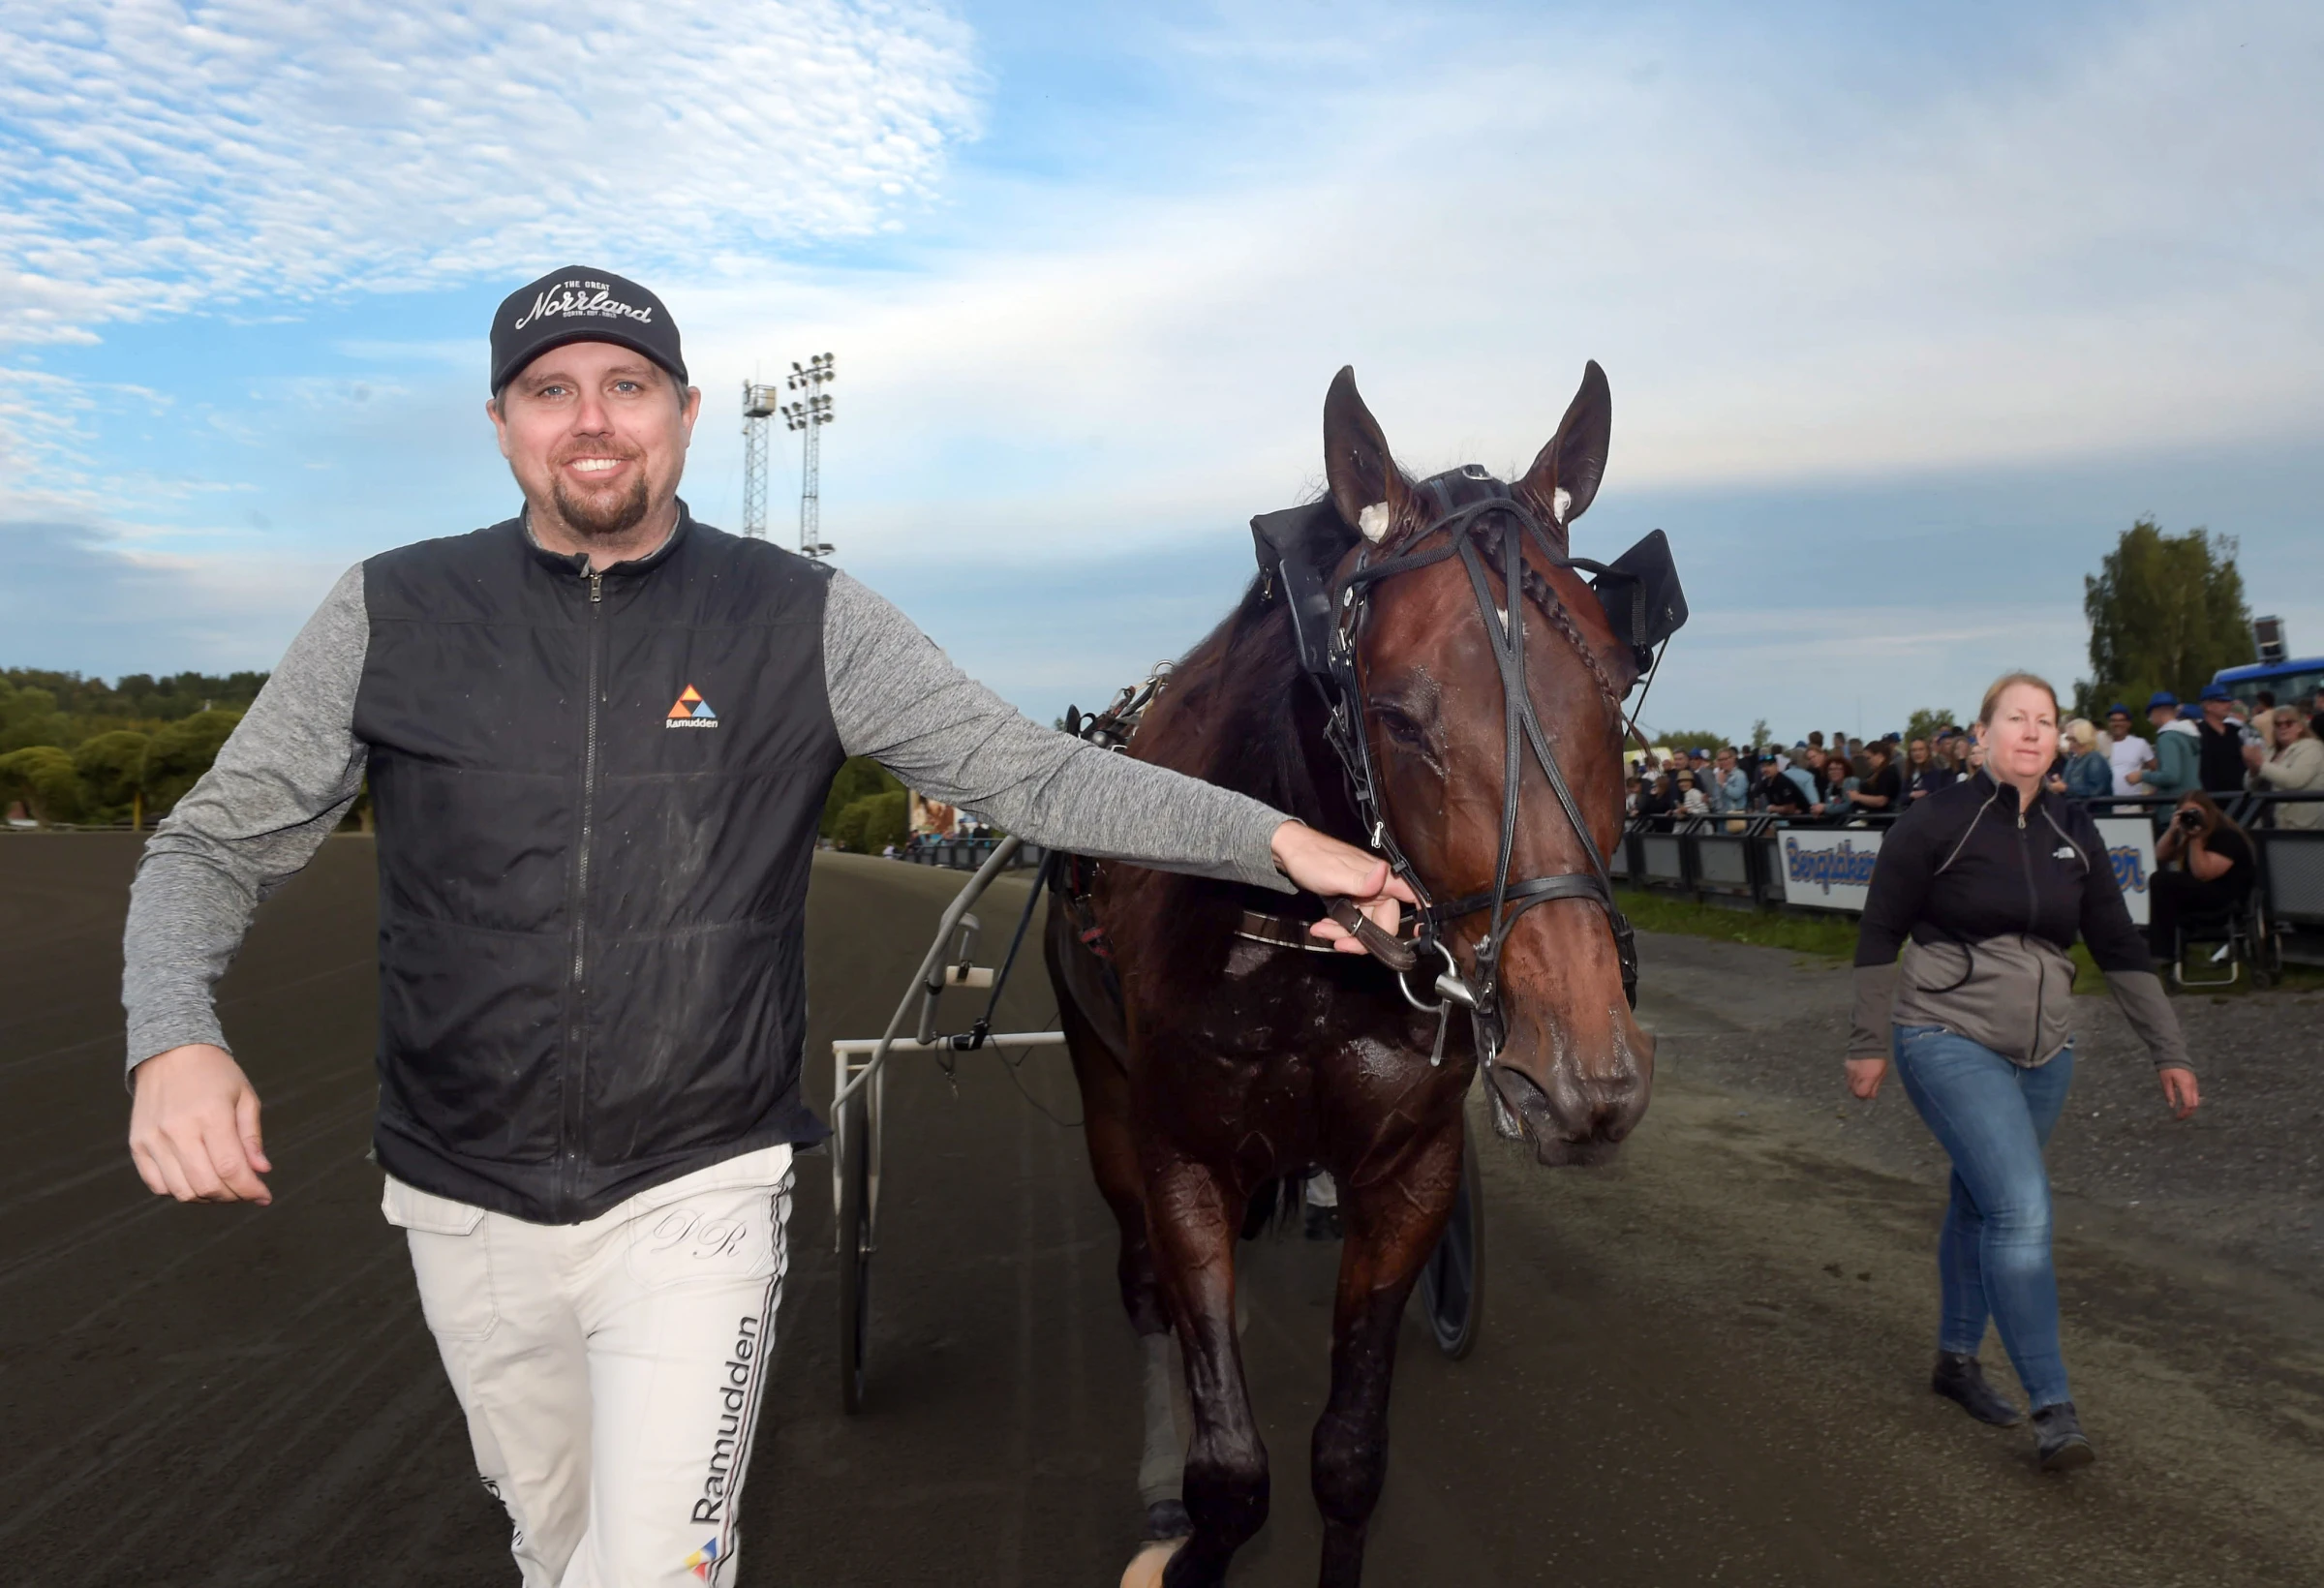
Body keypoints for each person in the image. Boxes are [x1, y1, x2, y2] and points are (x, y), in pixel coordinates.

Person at [118, 267, 1414, 1588]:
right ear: (501, 422)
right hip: (460, 1201)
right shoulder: (388, 612)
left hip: (698, 1193)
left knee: (660, 1570)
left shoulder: (804, 620)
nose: (593, 422)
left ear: (680, 412)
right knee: (557, 1544)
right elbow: (213, 840)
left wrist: (1277, 842)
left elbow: (1032, 771)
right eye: (551, 392)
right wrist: (172, 1035)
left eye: (626, 387)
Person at [1846, 673, 2197, 1472]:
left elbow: (2116, 944)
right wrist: (1867, 1042)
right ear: (1982, 735)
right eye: (2016, 719)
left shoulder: (2075, 829)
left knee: (1981, 1202)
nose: (2033, 733)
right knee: (2022, 1209)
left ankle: (1955, 1361)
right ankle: (2054, 1406)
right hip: (1944, 1034)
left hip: (2046, 1052)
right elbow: (1879, 931)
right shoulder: (1936, 821)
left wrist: (2168, 1051)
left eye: (2045, 721)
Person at [2148, 791, 2257, 961]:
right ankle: (2163, 952)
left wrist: (2196, 840)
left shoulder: (2227, 837)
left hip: (2225, 899)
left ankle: (2164, 952)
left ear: (2209, 812)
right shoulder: (2185, 834)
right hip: (2202, 896)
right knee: (2159, 880)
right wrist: (2172, 829)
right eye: (2186, 813)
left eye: (2196, 813)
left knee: (2162, 881)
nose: (2192, 818)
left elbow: (2203, 873)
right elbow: (2160, 855)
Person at [2246, 706, 2324, 830]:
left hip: (2300, 827)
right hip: (2268, 823)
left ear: (2300, 727)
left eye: (2289, 723)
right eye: (2278, 724)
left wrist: (2260, 765)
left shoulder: (2311, 748)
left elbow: (2295, 780)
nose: (2283, 727)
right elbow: (2248, 786)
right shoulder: (2271, 751)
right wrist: (2253, 770)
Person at [2125, 690, 2198, 808]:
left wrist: (2141, 776)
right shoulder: (2187, 735)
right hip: (2193, 802)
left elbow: (2170, 776)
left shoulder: (2167, 738)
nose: (2149, 718)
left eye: (2150, 713)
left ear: (2157, 711)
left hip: (2175, 809)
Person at [2193, 684, 2247, 794]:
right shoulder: (2197, 733)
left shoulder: (2235, 731)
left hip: (2239, 796)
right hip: (2212, 797)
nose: (2228, 705)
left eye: (2228, 701)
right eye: (2222, 701)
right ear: (2207, 705)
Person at [2102, 703, 2149, 800]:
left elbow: (2157, 769)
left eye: (2121, 720)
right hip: (2104, 806)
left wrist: (2151, 794)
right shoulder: (2099, 744)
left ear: (2128, 723)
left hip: (2132, 805)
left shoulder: (2140, 743)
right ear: (2109, 723)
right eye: (2113, 720)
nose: (2117, 724)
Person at [2061, 719, 2113, 801]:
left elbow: (2096, 791)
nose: (2069, 743)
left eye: (2073, 739)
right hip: (2075, 811)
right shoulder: (2073, 759)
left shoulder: (2096, 759)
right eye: (2068, 738)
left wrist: (2066, 788)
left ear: (2082, 738)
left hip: (2093, 812)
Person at [1850, 740, 1902, 812]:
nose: (1867, 762)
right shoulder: (1876, 772)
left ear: (1880, 755)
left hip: (1881, 819)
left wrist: (1858, 797)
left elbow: (1881, 800)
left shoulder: (1888, 772)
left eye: (1869, 758)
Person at [1904, 737, 1954, 803]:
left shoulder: (1937, 774)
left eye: (1921, 749)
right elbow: (1901, 797)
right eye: (1914, 750)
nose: (1917, 753)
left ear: (1927, 752)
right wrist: (1911, 794)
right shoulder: (1908, 773)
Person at [1707, 745, 1750, 815]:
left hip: (1735, 817)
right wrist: (1709, 801)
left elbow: (1737, 794)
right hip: (1720, 815)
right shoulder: (1719, 775)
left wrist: (1723, 784)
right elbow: (1717, 797)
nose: (1723, 762)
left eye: (1725, 759)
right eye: (1720, 760)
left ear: (1733, 758)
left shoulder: (1740, 775)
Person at [1814, 752, 1855, 820]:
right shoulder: (1830, 787)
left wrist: (1824, 807)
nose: (1834, 772)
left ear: (1845, 770)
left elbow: (1848, 806)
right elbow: (1831, 805)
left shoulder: (1851, 782)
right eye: (1830, 769)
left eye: (1838, 769)